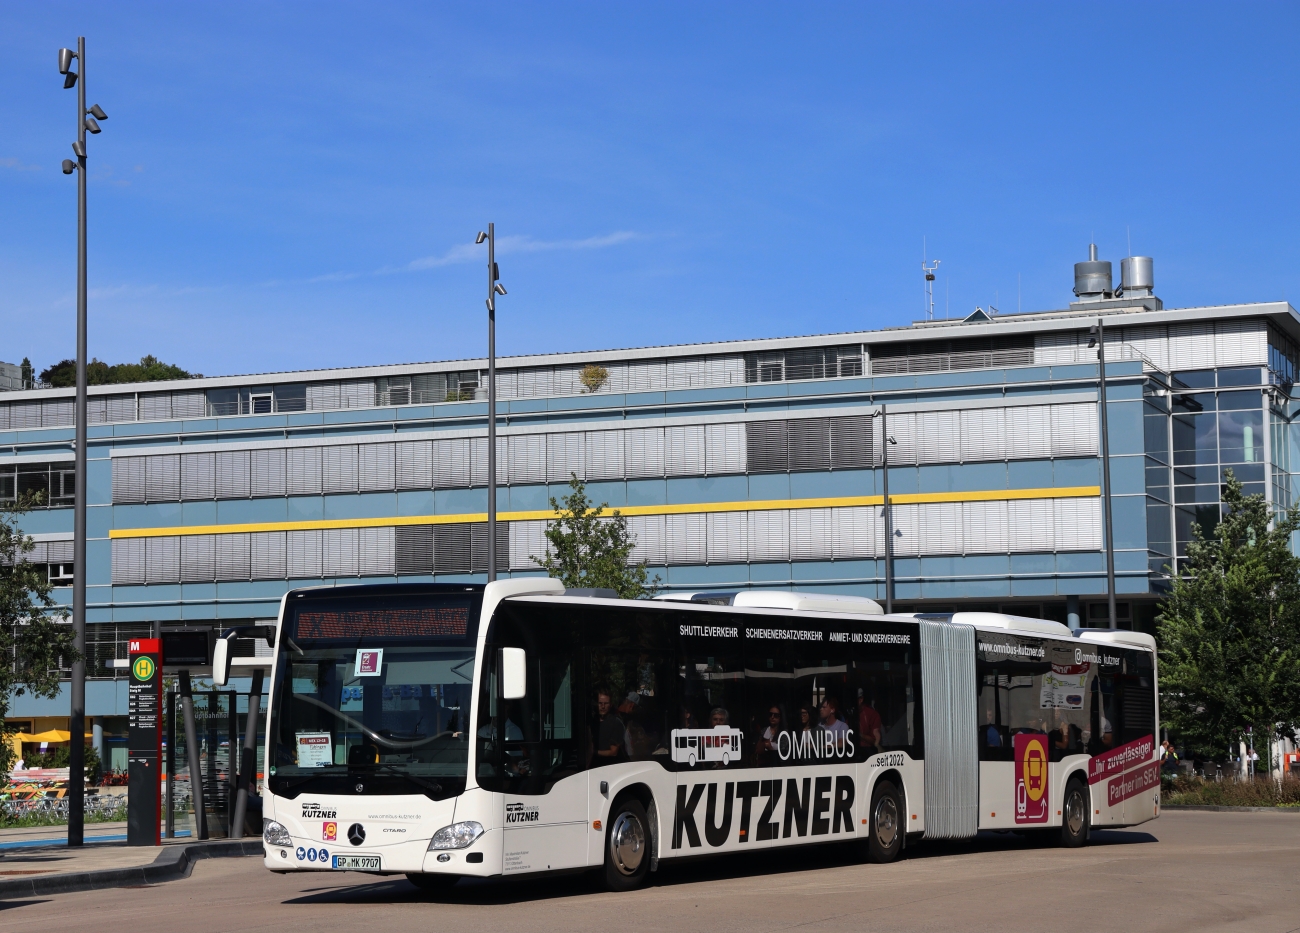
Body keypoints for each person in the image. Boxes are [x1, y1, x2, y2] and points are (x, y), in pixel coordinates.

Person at [594, 689, 625, 762]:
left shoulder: (616, 723)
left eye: (606, 703)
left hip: (610, 765)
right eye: (600, 703)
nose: (603, 706)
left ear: (610, 705)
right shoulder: (592, 721)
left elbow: (613, 752)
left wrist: (592, 752)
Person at [857, 688, 883, 753]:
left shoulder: (873, 714)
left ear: (861, 699)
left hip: (868, 753)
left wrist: (859, 735)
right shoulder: (849, 715)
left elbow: (875, 741)